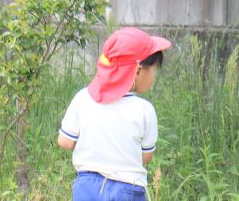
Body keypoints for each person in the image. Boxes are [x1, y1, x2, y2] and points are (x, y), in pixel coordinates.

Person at [58, 27, 172, 200]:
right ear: (138, 71)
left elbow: (65, 142)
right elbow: (146, 157)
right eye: (154, 70)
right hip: (127, 190)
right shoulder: (144, 109)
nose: (154, 76)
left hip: (87, 188)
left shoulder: (83, 98)